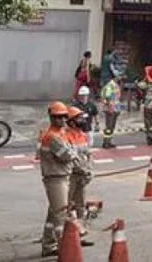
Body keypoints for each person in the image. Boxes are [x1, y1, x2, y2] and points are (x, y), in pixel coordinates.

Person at [37, 102, 77, 257]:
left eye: (63, 117)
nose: (61, 120)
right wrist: (73, 152)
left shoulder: (60, 133)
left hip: (60, 176)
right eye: (57, 117)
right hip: (56, 178)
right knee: (61, 214)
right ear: (51, 118)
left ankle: (48, 245)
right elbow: (67, 155)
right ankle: (64, 247)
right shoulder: (52, 136)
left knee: (53, 214)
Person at [63, 106, 94, 246]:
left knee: (80, 206)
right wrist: (82, 169)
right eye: (79, 118)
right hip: (71, 175)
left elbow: (87, 154)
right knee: (66, 205)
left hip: (82, 175)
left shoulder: (81, 134)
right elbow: (70, 158)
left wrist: (89, 170)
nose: (82, 120)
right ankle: (64, 236)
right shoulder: (66, 136)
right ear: (71, 121)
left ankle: (79, 234)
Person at [99, 74, 123, 149]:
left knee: (111, 127)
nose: (120, 77)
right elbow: (108, 97)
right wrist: (110, 108)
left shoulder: (114, 85)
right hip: (111, 109)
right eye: (119, 76)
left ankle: (109, 141)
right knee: (109, 127)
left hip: (114, 108)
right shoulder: (111, 85)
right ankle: (106, 142)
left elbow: (116, 98)